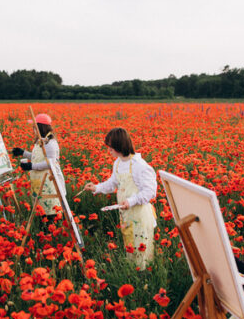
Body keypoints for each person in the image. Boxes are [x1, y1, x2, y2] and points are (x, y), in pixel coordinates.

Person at [84, 127, 157, 269]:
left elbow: (150, 191)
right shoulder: (118, 163)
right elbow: (113, 183)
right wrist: (96, 188)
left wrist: (131, 201)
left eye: (110, 147)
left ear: (119, 146)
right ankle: (133, 272)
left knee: (141, 249)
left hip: (139, 214)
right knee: (130, 244)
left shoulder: (139, 166)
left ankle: (144, 277)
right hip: (126, 213)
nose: (108, 151)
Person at [12, 113, 66, 220]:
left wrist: (32, 166)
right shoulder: (40, 141)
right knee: (43, 211)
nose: (33, 130)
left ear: (40, 127)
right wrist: (23, 153)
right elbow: (37, 157)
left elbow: (50, 163)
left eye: (34, 128)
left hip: (50, 183)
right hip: (41, 181)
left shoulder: (50, 143)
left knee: (52, 213)